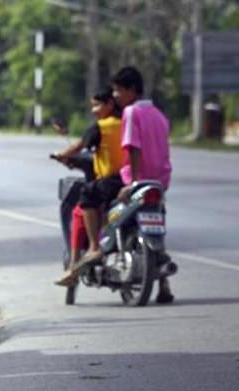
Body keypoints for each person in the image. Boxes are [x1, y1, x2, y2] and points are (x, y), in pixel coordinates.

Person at [75, 66, 174, 303]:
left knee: (89, 194)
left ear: (131, 91)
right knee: (156, 229)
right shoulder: (160, 116)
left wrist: (134, 181)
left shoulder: (131, 112)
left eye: (118, 91)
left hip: (136, 180)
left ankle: (95, 248)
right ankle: (164, 285)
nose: (115, 96)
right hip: (160, 181)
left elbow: (132, 146)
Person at [54, 86, 125, 286]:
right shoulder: (128, 123)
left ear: (110, 104)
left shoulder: (101, 127)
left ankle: (83, 258)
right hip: (132, 180)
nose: (94, 109)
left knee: (81, 206)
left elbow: (79, 146)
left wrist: (62, 155)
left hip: (110, 181)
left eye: (97, 105)